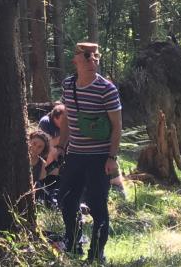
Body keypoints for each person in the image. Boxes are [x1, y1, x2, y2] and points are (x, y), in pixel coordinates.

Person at [58, 42, 121, 262]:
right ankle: (74, 244)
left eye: (95, 57)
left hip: (99, 158)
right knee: (66, 199)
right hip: (75, 155)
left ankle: (96, 255)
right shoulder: (68, 85)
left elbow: (117, 126)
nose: (92, 61)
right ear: (75, 60)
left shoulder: (106, 89)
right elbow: (66, 118)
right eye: (86, 57)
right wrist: (60, 146)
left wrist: (112, 157)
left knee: (97, 205)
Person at [28, 129, 51, 199]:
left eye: (40, 147)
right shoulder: (19, 157)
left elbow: (40, 187)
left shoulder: (43, 165)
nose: (35, 148)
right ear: (29, 141)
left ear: (43, 150)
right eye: (34, 143)